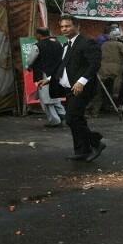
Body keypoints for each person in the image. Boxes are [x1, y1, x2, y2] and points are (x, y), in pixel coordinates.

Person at [36, 14, 105, 162]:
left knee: (71, 118)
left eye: (67, 26)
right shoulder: (67, 44)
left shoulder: (87, 42)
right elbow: (63, 67)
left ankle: (96, 143)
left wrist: (82, 81)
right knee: (76, 118)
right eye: (61, 27)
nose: (64, 29)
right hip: (69, 88)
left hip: (82, 88)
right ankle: (82, 150)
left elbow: (95, 63)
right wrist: (48, 79)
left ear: (77, 26)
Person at [26, 27, 66, 127]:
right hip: (57, 74)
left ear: (39, 35)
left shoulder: (37, 46)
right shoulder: (58, 44)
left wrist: (29, 67)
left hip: (43, 75)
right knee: (54, 95)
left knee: (46, 99)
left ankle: (55, 121)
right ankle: (62, 113)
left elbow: (30, 61)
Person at [88, 28, 123, 117]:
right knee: (117, 85)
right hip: (116, 69)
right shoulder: (120, 44)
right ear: (117, 38)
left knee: (99, 91)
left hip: (102, 69)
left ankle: (95, 112)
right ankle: (115, 97)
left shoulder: (103, 45)